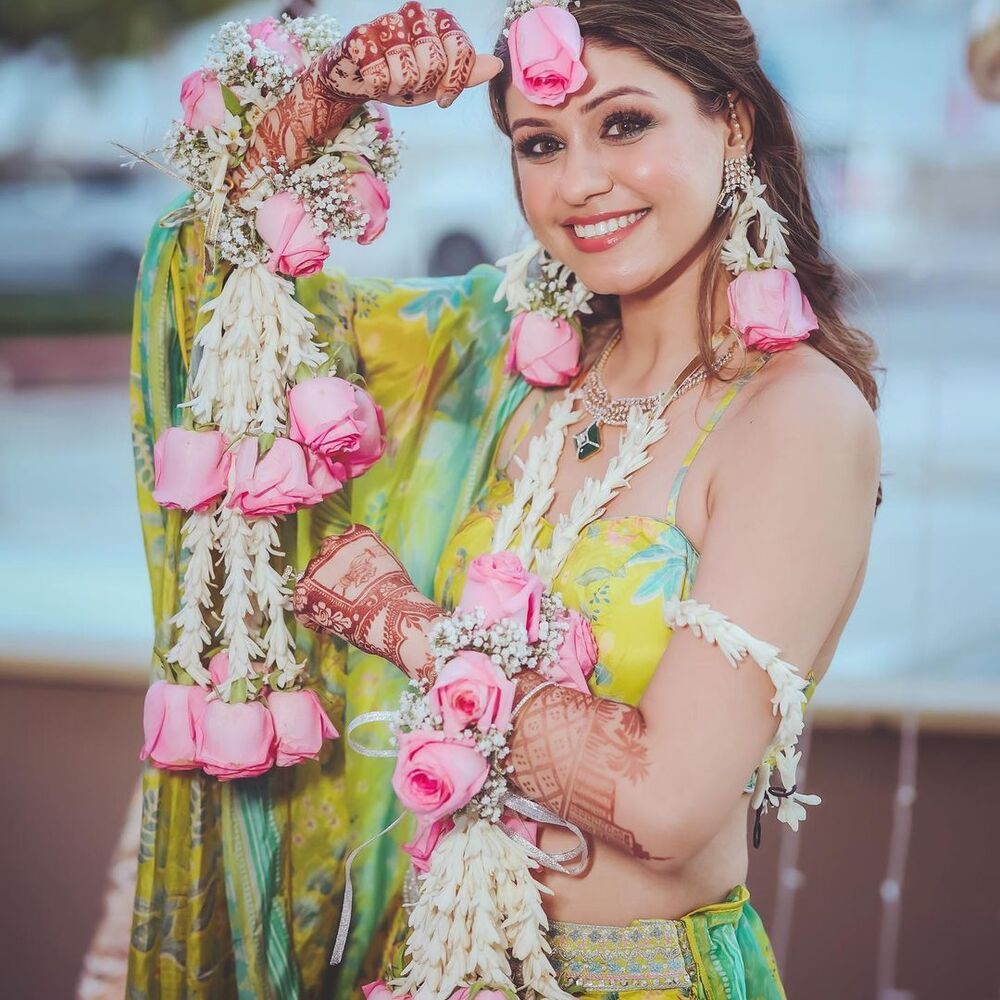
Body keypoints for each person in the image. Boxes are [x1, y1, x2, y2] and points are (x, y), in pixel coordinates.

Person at [128, 2, 882, 997]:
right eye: (538, 142)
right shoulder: (505, 358)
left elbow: (664, 802)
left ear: (731, 121)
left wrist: (402, 623)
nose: (578, 182)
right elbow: (220, 290)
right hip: (428, 962)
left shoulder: (793, 418)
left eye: (624, 124)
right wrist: (333, 92)